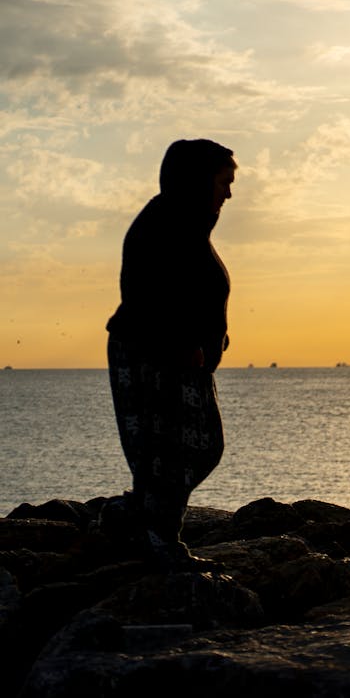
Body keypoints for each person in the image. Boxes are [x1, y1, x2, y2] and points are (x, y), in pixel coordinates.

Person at [104, 139, 236, 570]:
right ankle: (153, 540)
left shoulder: (188, 223)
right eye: (223, 182)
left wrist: (212, 335)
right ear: (197, 181)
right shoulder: (165, 223)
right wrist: (180, 342)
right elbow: (147, 293)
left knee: (193, 448)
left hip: (178, 357)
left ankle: (135, 521)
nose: (228, 194)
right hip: (154, 355)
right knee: (173, 451)